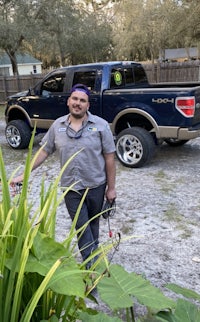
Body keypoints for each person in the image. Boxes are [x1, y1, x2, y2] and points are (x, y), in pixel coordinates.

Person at [11, 83, 116, 269]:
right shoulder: (57, 126)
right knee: (82, 228)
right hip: (71, 189)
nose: (78, 103)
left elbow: (109, 158)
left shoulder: (100, 126)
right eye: (75, 99)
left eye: (82, 100)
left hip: (96, 186)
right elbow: (43, 152)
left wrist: (111, 188)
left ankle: (93, 259)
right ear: (68, 102)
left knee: (93, 226)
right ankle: (90, 269)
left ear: (87, 105)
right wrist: (23, 176)